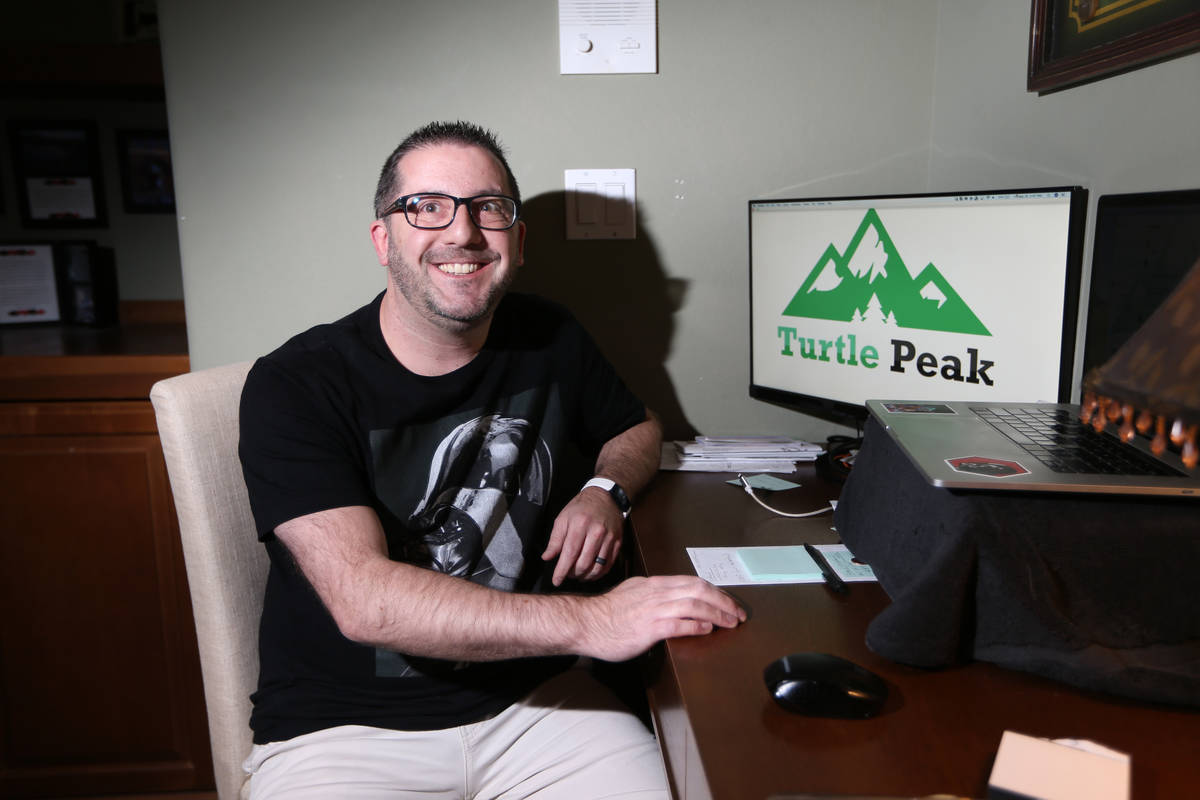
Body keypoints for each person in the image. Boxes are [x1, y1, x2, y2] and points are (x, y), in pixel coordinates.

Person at [237, 120, 746, 799]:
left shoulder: (551, 336)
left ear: (518, 240)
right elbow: (366, 603)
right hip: (344, 733)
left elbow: (639, 427)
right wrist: (596, 620)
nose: (463, 232)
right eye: (427, 207)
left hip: (540, 706)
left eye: (490, 207)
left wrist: (604, 491)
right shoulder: (297, 383)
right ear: (382, 239)